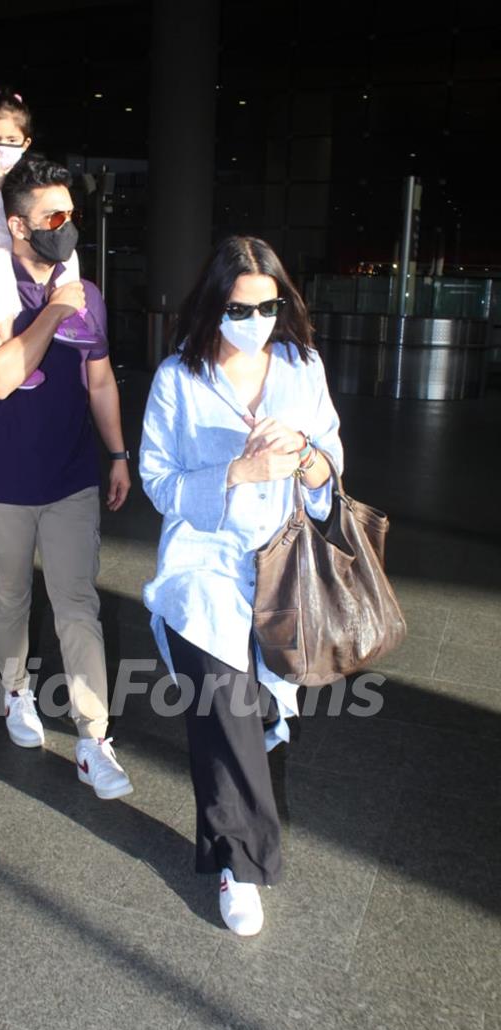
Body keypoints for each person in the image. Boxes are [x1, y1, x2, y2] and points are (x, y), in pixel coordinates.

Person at [139, 236, 343, 936]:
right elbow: (159, 481)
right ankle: (241, 862)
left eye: (268, 306)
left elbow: (331, 472)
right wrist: (235, 473)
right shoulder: (178, 377)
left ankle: (237, 838)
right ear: (213, 306)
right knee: (222, 704)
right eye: (239, 307)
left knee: (252, 712)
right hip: (202, 563)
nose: (255, 319)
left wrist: (307, 459)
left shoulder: (302, 368)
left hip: (281, 564)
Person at [0, 154, 134, 800]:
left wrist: (117, 454)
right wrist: (55, 311)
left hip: (70, 478)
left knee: (77, 604)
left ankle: (93, 738)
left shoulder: (88, 295)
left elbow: (101, 378)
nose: (67, 228)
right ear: (19, 229)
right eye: (52, 217)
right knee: (10, 599)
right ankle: (15, 692)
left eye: (71, 215)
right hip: (0, 480)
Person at [0, 88, 87, 392]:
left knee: (67, 251)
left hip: (12, 244)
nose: (1, 147)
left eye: (11, 141)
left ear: (26, 143)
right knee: (0, 268)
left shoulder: (24, 174)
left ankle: (72, 317)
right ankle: (10, 344)